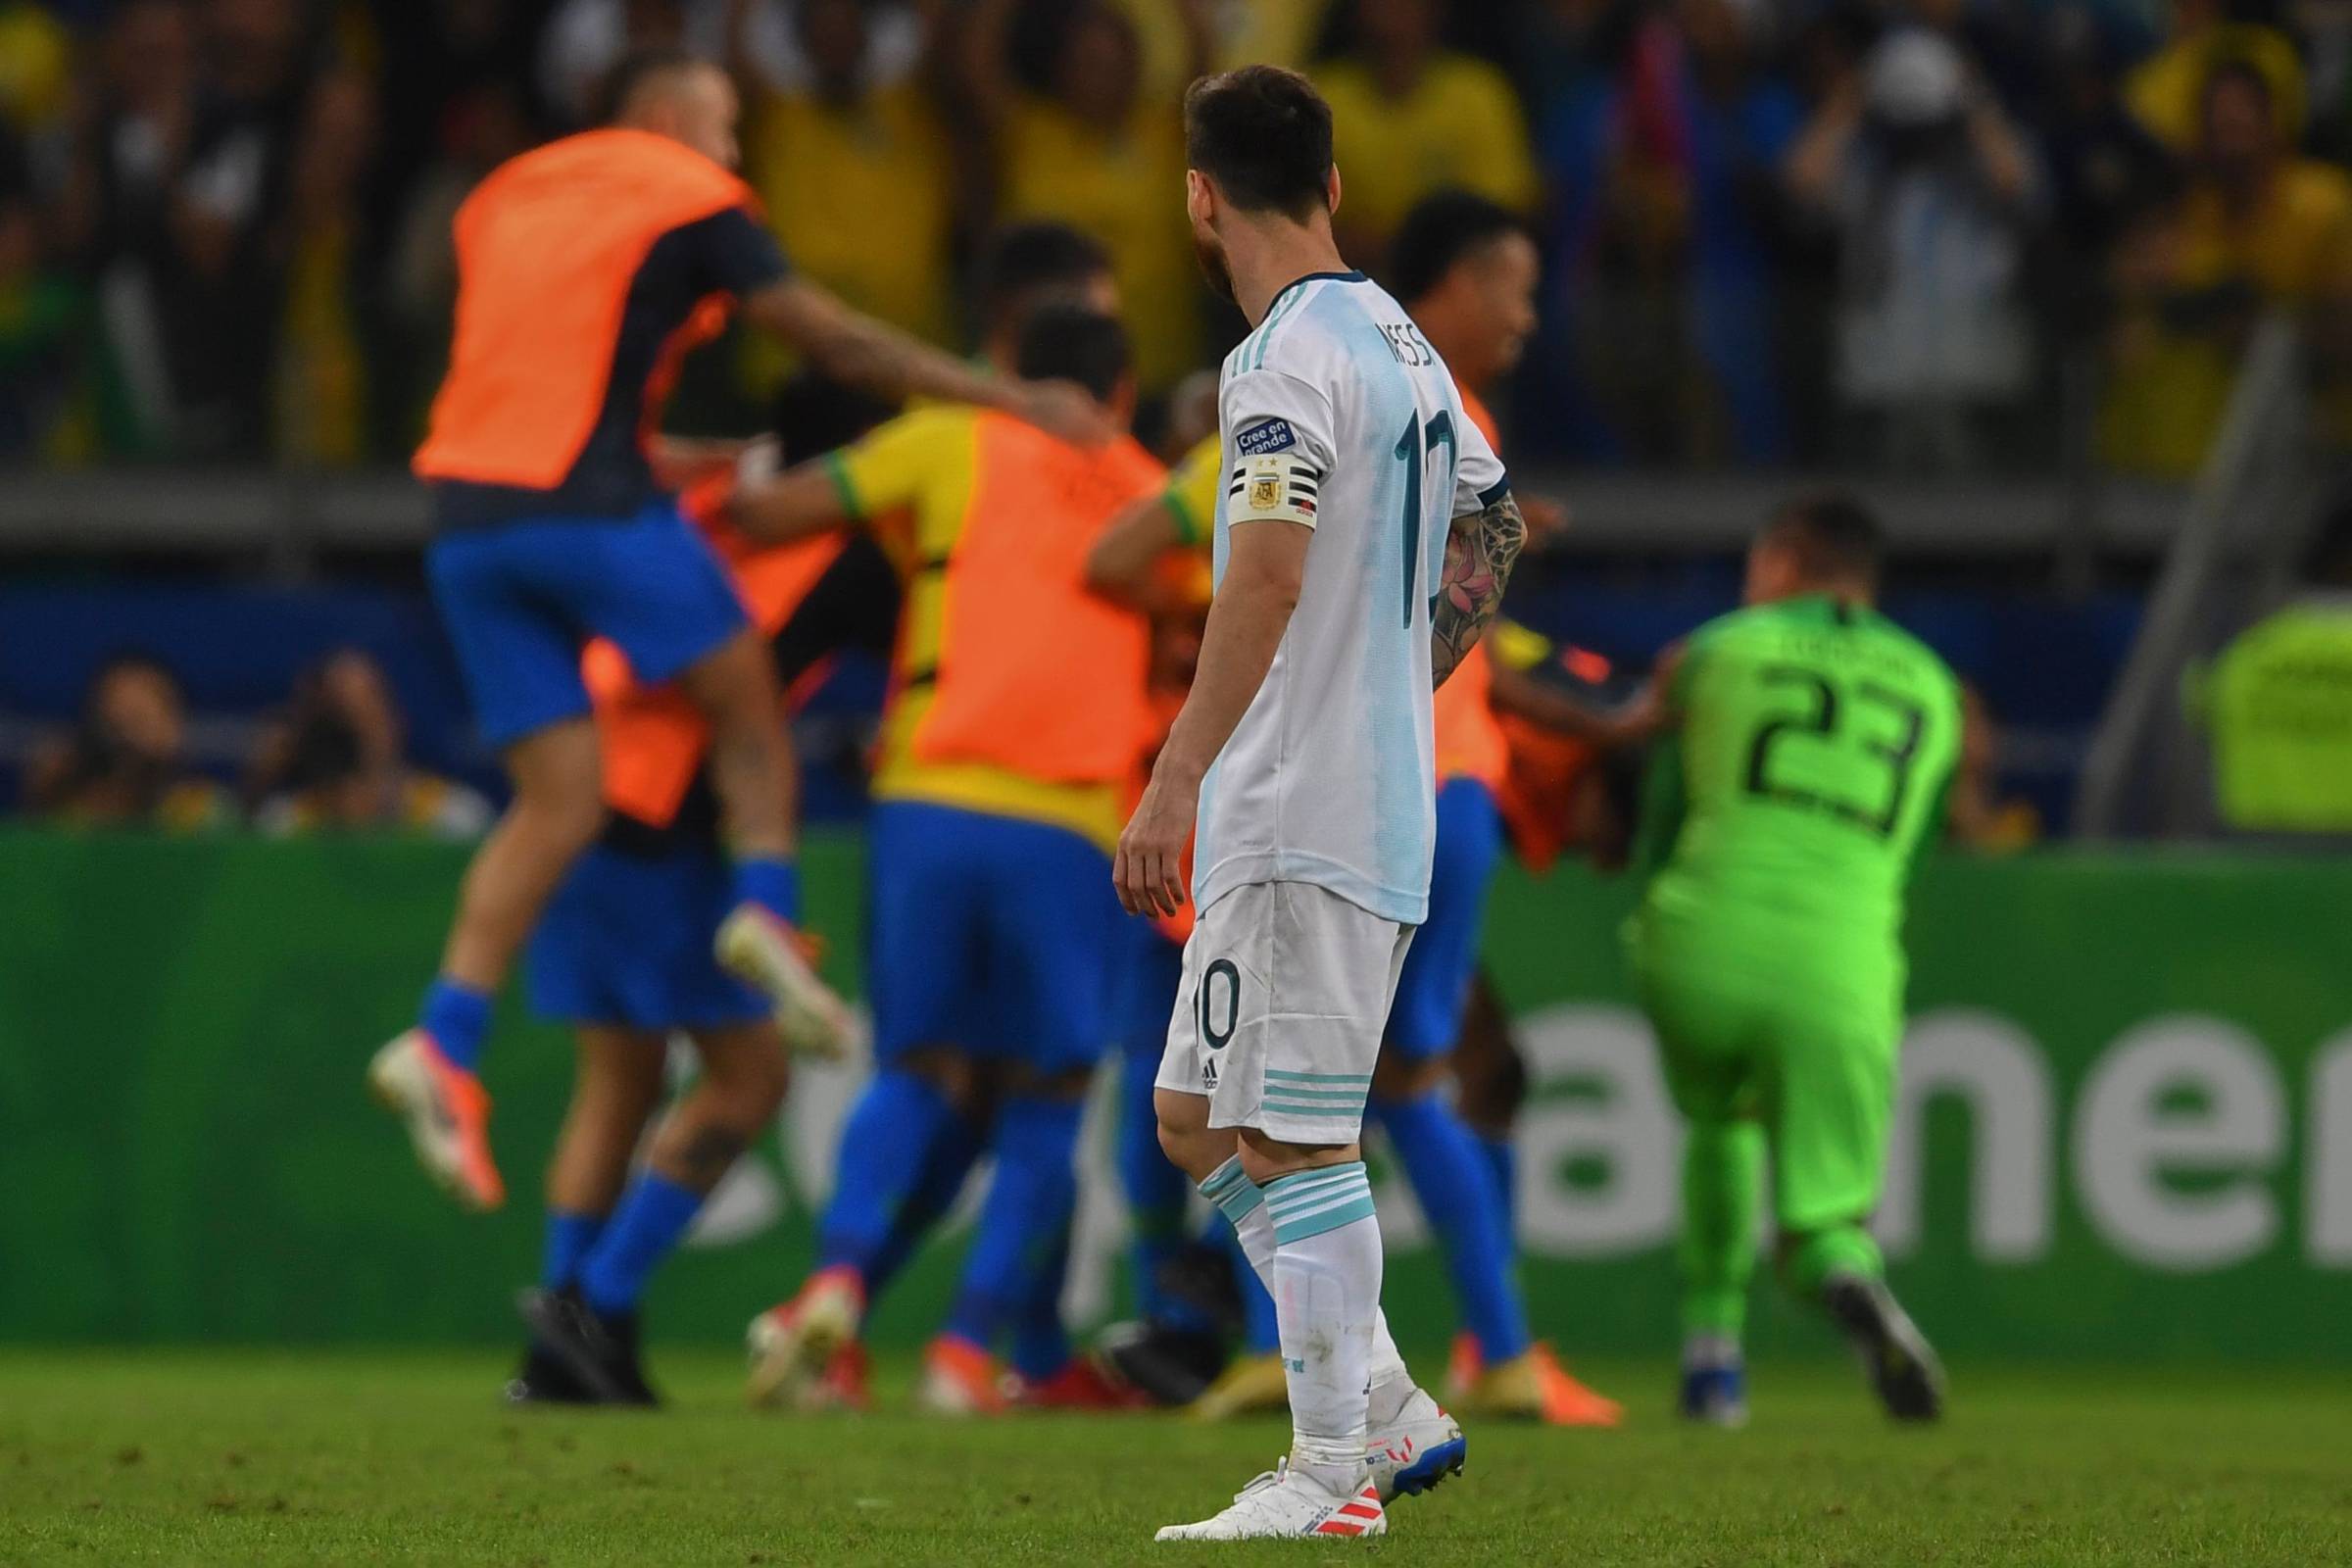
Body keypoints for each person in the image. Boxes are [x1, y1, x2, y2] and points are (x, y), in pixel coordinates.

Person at [368, 47, 1102, 1216]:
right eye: (724, 129)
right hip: (589, 511)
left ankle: (443, 1035)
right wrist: (1014, 401)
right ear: (663, 118)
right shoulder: (686, 192)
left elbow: (542, 387)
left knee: (555, 798)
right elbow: (838, 343)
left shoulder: (504, 196)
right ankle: (764, 913)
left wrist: (690, 465)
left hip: (463, 520)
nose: (734, 156)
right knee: (745, 693)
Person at [1123, 66, 1526, 1541]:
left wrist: (1175, 774)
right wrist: (1399, 673)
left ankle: (1329, 1472)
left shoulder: (1281, 358)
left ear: (1198, 196)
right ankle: (1388, 1404)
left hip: (1298, 805)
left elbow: (1274, 568)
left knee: (1294, 1141)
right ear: (1336, 187)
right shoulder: (1406, 345)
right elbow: (1497, 519)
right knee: (1191, 1118)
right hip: (1349, 791)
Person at [734, 305, 1163, 1415]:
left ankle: (830, 1284)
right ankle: (964, 1357)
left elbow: (770, 512)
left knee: (914, 1066)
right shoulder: (1145, 484)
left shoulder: (947, 437)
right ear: (1120, 395)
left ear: (1004, 360)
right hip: (1070, 815)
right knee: (1047, 1095)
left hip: (926, 793)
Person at [507, 451, 887, 1406]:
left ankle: (568, 1343)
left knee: (619, 1076)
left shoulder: (694, 513)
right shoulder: (834, 555)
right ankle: (596, 1298)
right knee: (750, 1075)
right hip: (655, 833)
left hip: (580, 801)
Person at [1626, 493, 1961, 1429]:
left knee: (1724, 1113)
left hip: (1704, 934)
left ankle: (1711, 1359)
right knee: (1823, 1220)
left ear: (1781, 561)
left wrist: (1649, 908)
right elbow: (1916, 857)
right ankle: (1845, 1275)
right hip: (1843, 958)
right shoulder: (1934, 686)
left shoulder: (1718, 649)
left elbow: (1663, 815)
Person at [1309, 0, 1539, 260]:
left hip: (1457, 281)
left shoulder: (1478, 93)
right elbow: (1304, 222)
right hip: (1347, 280)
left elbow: (1503, 217)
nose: (1395, 10)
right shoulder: (1323, 97)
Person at [247, 649, 491, 838]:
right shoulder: (286, 826)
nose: (356, 729)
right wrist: (260, 783)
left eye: (367, 709)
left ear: (395, 720)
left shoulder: (454, 820)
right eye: (340, 714)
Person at [26, 654, 233, 830]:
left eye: (150, 714)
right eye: (126, 717)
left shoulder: (202, 809)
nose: (135, 734)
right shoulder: (66, 813)